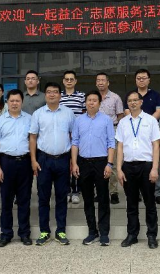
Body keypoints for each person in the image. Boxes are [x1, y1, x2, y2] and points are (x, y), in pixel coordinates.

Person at [29, 82, 76, 246]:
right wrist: (33, 160)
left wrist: (73, 161)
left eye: (55, 92)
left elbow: (73, 137)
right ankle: (44, 231)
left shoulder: (69, 113)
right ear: (45, 95)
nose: (52, 94)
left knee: (62, 196)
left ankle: (60, 230)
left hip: (63, 159)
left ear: (60, 95)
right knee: (43, 197)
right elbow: (33, 138)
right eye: (49, 92)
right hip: (44, 159)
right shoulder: (38, 114)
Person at [116, 91, 160, 249]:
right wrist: (119, 169)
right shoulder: (123, 122)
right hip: (128, 166)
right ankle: (132, 234)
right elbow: (120, 146)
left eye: (135, 100)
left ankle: (152, 235)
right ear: (127, 104)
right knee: (131, 203)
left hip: (146, 166)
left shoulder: (150, 120)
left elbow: (156, 145)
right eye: (130, 101)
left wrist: (154, 168)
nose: (133, 103)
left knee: (150, 203)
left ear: (141, 102)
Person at [71, 90, 115, 246]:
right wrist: (74, 163)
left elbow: (111, 143)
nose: (91, 103)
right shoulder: (78, 120)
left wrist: (109, 164)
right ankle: (92, 232)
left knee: (103, 198)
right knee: (87, 199)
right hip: (83, 162)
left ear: (99, 103)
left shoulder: (106, 120)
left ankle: (104, 233)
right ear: (85, 102)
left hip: (101, 162)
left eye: (94, 100)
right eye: (89, 100)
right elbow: (75, 142)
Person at [0, 89, 33, 247]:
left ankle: (24, 233)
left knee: (24, 200)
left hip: (24, 162)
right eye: (12, 100)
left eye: (17, 101)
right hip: (6, 163)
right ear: (7, 102)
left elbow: (33, 142)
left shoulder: (30, 119)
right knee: (6, 201)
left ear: (22, 102)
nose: (14, 103)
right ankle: (6, 234)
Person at [124, 69, 160, 204]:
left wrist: (147, 122)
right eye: (138, 78)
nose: (141, 80)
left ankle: (158, 192)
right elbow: (127, 111)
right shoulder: (131, 95)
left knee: (154, 159)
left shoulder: (155, 95)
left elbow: (159, 110)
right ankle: (138, 192)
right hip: (133, 131)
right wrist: (138, 123)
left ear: (149, 80)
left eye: (144, 78)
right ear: (135, 80)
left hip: (151, 130)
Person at [96, 72, 124, 205]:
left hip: (112, 131)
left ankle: (113, 192)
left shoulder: (115, 98)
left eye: (103, 80)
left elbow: (120, 116)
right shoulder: (93, 97)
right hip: (96, 133)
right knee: (98, 163)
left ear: (108, 82)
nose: (100, 82)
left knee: (112, 163)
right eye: (98, 80)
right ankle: (99, 192)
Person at [60, 71, 85, 205]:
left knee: (76, 163)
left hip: (77, 136)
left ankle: (76, 191)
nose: (69, 81)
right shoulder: (59, 96)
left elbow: (84, 114)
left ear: (75, 81)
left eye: (71, 79)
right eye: (67, 79)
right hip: (62, 136)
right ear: (63, 81)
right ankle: (66, 190)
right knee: (64, 165)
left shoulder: (81, 96)